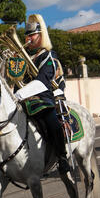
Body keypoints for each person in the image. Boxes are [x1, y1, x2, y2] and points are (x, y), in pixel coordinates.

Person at [14, 14, 71, 175]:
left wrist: (18, 95)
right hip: (25, 99)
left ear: (41, 35)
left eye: (32, 35)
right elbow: (19, 80)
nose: (28, 38)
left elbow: (42, 82)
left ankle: (62, 157)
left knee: (51, 120)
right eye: (27, 35)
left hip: (44, 98)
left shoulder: (49, 56)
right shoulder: (26, 58)